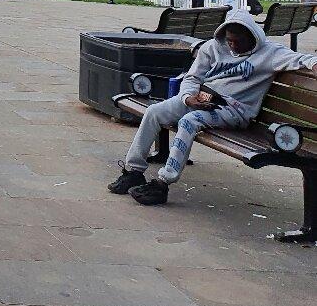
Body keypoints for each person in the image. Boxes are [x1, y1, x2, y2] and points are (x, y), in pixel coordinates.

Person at [108, 11, 317, 205]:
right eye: (230, 40)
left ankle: (163, 183)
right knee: (154, 112)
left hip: (234, 111)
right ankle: (133, 170)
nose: (233, 46)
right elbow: (192, 77)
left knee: (189, 121)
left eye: (238, 41)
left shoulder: (270, 53)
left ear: (252, 36)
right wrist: (188, 98)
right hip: (202, 100)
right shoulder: (213, 47)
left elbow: (303, 59)